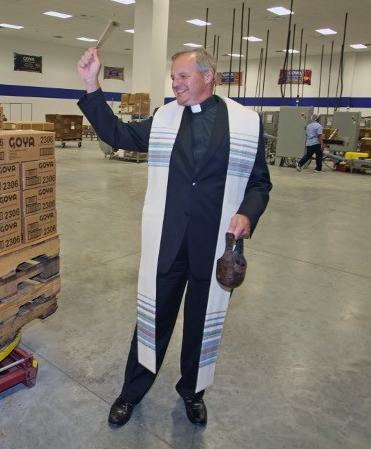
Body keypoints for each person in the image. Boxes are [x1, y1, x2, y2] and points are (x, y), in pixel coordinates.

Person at [77, 48, 272, 427]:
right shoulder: (165, 120)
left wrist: (248, 212)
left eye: (183, 76)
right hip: (167, 242)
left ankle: (192, 393)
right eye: (173, 77)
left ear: (208, 75)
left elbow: (260, 183)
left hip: (213, 244)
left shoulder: (245, 123)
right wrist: (91, 83)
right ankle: (131, 392)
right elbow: (117, 135)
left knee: (202, 323)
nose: (175, 83)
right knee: (152, 320)